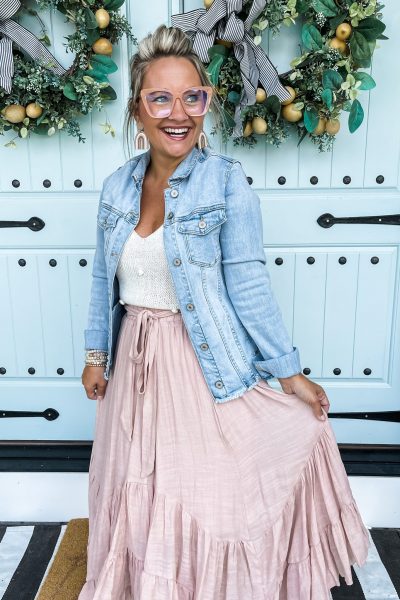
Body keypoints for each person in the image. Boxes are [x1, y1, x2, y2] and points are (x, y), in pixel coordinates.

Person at [79, 24, 369, 600]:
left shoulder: (226, 183)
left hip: (199, 363)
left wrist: (288, 372)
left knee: (205, 495)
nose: (178, 112)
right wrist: (95, 355)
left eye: (193, 96)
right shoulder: (115, 188)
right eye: (160, 97)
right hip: (133, 367)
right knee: (140, 489)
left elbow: (249, 283)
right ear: (138, 110)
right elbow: (100, 280)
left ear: (207, 103)